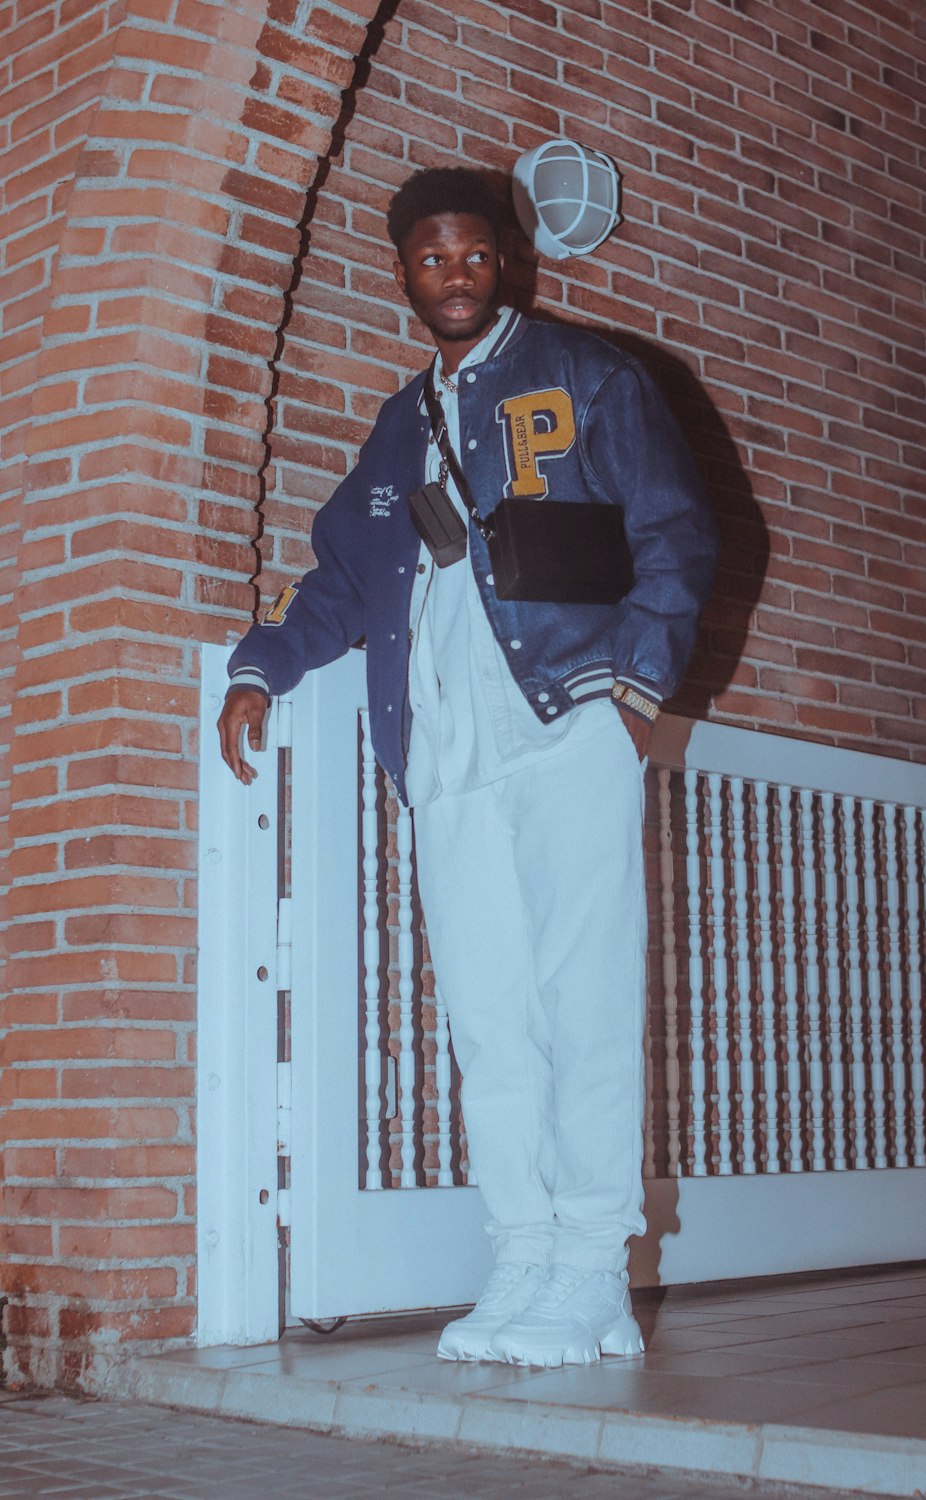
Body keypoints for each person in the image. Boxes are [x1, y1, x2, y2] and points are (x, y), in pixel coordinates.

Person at [218, 167, 717, 1368]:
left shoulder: (589, 375)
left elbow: (675, 531)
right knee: (490, 1019)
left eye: (474, 255)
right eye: (430, 258)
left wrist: (634, 690)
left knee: (584, 1004)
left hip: (565, 719)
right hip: (443, 751)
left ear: (507, 262)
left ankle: (595, 1269)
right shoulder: (400, 425)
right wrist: (262, 665)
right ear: (402, 271)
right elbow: (342, 575)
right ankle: (524, 1257)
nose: (453, 275)